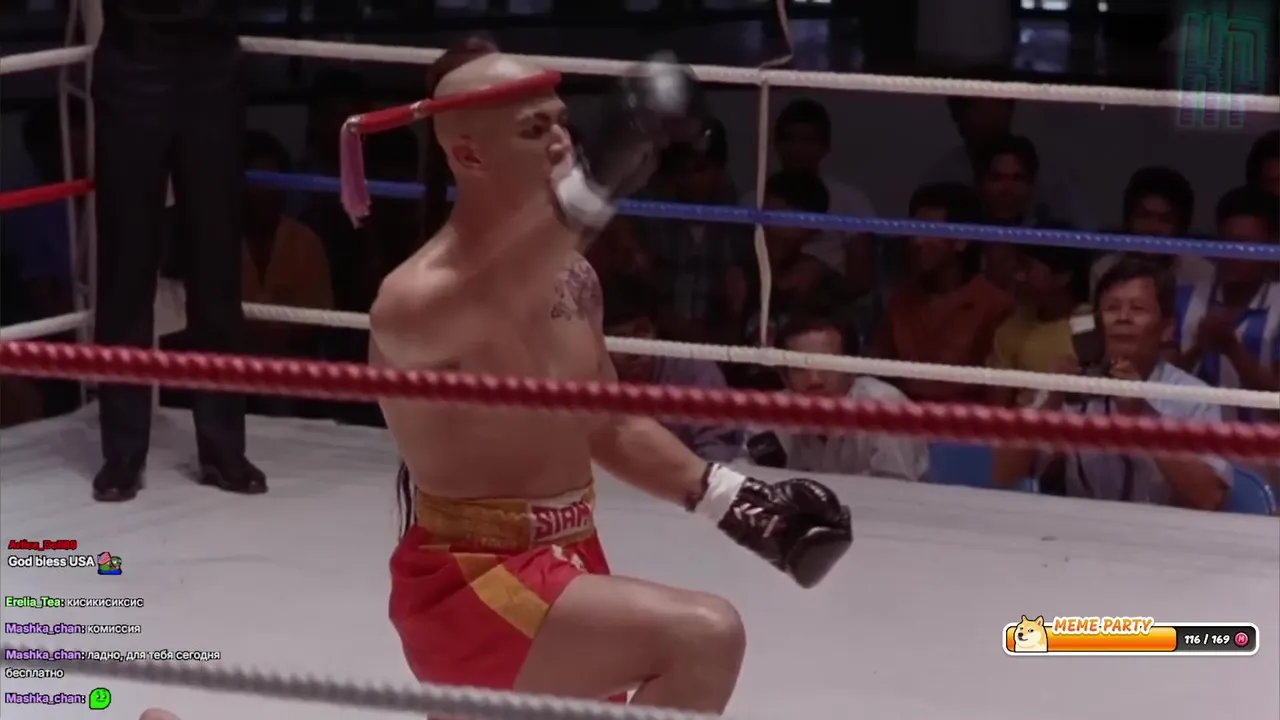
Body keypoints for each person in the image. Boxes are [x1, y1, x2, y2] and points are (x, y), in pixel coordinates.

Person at [368, 39, 851, 712]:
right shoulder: (415, 300)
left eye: (563, 122)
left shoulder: (573, 277)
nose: (560, 141)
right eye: (534, 129)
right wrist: (598, 181)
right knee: (703, 637)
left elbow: (606, 421)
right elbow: (492, 295)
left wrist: (738, 504)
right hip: (474, 580)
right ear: (470, 155)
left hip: (567, 559)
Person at [91, 0, 262, 501]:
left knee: (216, 262)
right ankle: (122, 452)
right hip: (132, 52)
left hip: (212, 56)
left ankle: (223, 447)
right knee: (125, 261)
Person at [992, 257, 1232, 510]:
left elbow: (1210, 498)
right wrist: (1049, 401)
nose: (1123, 318)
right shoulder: (1073, 385)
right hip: (1084, 526)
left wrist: (1143, 418)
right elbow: (1004, 475)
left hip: (1162, 530)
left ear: (1167, 328)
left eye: (1137, 309)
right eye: (1112, 308)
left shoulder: (1193, 397)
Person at [872, 182, 1013, 403]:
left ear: (961, 241)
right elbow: (876, 372)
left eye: (929, 231)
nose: (917, 241)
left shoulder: (995, 306)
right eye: (914, 229)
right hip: (901, 417)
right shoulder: (900, 299)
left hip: (963, 420)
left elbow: (996, 396)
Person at [748, 315, 928, 483]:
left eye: (827, 365)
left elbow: (895, 493)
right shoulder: (771, 414)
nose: (815, 380)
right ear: (784, 377)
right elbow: (745, 478)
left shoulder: (886, 408)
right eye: (799, 368)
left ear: (852, 368)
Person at [603, 277, 743, 463]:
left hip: (690, 476)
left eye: (641, 332)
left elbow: (718, 451)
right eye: (619, 338)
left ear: (656, 330)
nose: (633, 351)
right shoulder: (588, 377)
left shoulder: (694, 371)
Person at [1173, 186, 1280, 420]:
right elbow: (1155, 388)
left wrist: (1233, 350)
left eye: (1244, 245)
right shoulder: (1183, 300)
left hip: (1265, 441)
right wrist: (1198, 349)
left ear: (1272, 246)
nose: (1232, 254)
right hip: (1191, 438)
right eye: (1226, 242)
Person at [986, 245, 1093, 408]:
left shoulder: (1092, 328)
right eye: (1017, 266)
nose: (1017, 275)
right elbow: (996, 408)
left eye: (1026, 267)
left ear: (1062, 276)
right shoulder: (1012, 326)